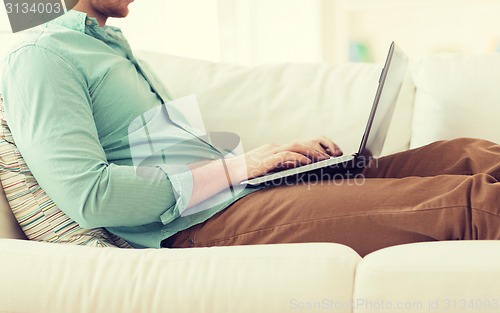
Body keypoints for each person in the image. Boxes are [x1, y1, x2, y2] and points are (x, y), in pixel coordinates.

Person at [1, 0, 499, 257]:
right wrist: (241, 167)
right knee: (469, 203)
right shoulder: (41, 56)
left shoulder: (106, 44)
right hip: (196, 228)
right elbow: (91, 196)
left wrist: (267, 160)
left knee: (466, 154)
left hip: (233, 196)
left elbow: (174, 162)